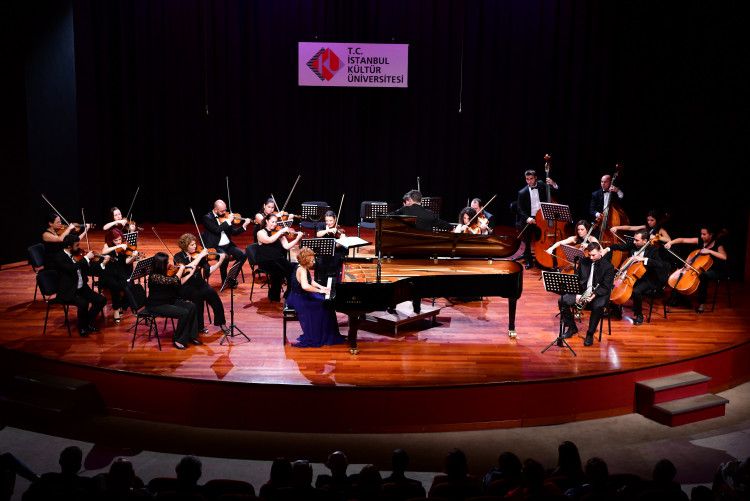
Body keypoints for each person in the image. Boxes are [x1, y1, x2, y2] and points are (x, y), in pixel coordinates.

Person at [602, 229, 669, 325]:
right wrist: (607, 249)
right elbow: (619, 246)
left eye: (637, 240)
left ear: (645, 241)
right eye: (634, 239)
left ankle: (638, 315)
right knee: (611, 285)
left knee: (636, 291)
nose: (634, 242)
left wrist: (644, 259)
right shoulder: (633, 246)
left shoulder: (653, 250)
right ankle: (615, 311)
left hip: (647, 278)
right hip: (631, 275)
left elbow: (659, 264)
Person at [48, 234, 108, 337]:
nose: (79, 247)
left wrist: (103, 264)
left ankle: (86, 322)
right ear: (69, 247)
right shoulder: (59, 257)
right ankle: (82, 328)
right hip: (69, 290)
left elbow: (90, 271)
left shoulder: (78, 254)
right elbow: (72, 268)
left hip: (82, 288)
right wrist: (85, 259)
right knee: (83, 303)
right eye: (77, 245)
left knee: (101, 300)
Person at [287, 247, 346, 348]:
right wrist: (319, 291)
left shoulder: (302, 266)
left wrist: (322, 287)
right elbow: (305, 286)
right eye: (312, 260)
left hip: (300, 295)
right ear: (306, 261)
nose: (314, 262)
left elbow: (310, 281)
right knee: (325, 306)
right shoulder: (302, 269)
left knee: (327, 303)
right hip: (300, 299)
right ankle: (322, 335)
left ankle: (325, 333)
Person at [558, 243, 614, 346]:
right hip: (582, 292)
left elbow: (606, 287)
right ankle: (572, 328)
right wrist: (577, 293)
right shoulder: (583, 262)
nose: (591, 258)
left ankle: (590, 333)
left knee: (598, 306)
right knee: (562, 301)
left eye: (594, 255)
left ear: (600, 252)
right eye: (589, 255)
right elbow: (577, 279)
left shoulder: (608, 267)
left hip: (598, 294)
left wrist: (594, 295)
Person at [664, 225, 728, 313]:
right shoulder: (700, 241)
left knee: (703, 276)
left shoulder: (718, 245)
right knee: (683, 273)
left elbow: (724, 257)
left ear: (711, 235)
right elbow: (682, 240)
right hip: (699, 267)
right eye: (701, 234)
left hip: (715, 270)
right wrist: (670, 243)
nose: (701, 236)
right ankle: (677, 298)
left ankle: (702, 303)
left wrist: (709, 251)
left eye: (704, 234)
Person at [174, 233, 230, 334]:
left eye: (195, 244)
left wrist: (219, 262)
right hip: (186, 285)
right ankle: (199, 326)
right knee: (198, 297)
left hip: (199, 283)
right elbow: (188, 267)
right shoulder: (178, 257)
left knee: (213, 294)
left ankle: (221, 322)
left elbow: (208, 271)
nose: (195, 246)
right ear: (185, 246)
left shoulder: (198, 254)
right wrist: (200, 256)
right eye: (192, 245)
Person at [147, 252, 200, 349]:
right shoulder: (155, 276)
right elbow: (174, 280)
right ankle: (178, 339)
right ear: (160, 265)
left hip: (169, 301)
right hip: (157, 305)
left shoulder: (167, 272)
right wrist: (182, 269)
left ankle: (191, 336)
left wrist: (190, 273)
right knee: (184, 313)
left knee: (191, 306)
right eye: (167, 262)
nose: (169, 264)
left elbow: (178, 283)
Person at [516, 169, 559, 269]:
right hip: (529, 219)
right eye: (527, 179)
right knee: (527, 241)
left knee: (540, 240)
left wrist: (553, 184)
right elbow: (519, 208)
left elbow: (554, 191)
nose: (529, 181)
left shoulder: (541, 185)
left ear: (536, 178)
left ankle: (541, 261)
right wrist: (528, 218)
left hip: (542, 219)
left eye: (531, 178)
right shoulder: (522, 192)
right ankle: (528, 261)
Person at [254, 213, 302, 302]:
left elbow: (287, 246)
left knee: (293, 269)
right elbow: (269, 240)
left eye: (276, 222)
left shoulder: (278, 233)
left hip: (278, 258)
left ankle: (289, 293)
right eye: (272, 222)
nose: (274, 224)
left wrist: (297, 239)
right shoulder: (260, 233)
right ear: (267, 221)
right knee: (279, 272)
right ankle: (274, 296)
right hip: (266, 260)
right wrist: (281, 231)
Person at [202, 199, 250, 284]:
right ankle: (225, 280)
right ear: (215, 210)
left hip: (228, 246)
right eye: (222, 211)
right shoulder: (207, 218)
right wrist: (228, 221)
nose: (225, 212)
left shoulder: (226, 217)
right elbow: (216, 230)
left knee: (243, 255)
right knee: (225, 258)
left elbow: (234, 233)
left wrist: (244, 226)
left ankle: (231, 278)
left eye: (225, 210)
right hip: (216, 246)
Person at [23, 446, 96, 501]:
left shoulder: (47, 478)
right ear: (79, 466)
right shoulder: (87, 484)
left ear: (60, 462)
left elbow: (26, 497)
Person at [99, 228, 139, 323]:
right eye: (115, 240)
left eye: (120, 239)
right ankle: (116, 309)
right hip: (108, 273)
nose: (118, 242)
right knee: (114, 286)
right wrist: (118, 246)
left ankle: (122, 305)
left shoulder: (125, 246)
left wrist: (133, 256)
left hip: (120, 271)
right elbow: (104, 252)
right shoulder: (108, 245)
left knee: (128, 284)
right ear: (111, 240)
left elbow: (126, 262)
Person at [315, 210, 347, 284]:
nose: (329, 223)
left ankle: (334, 283)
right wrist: (327, 230)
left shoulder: (339, 229)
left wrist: (342, 240)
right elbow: (318, 234)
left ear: (335, 219)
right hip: (324, 252)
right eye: (327, 221)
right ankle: (323, 282)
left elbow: (338, 246)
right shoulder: (323, 227)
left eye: (331, 220)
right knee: (320, 262)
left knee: (335, 261)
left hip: (335, 251)